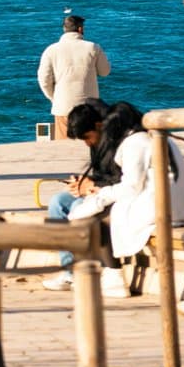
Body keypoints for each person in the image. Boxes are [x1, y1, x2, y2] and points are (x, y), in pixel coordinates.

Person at [67, 102, 184, 299]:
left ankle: (113, 276)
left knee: (97, 218)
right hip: (176, 202)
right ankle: (106, 274)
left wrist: (99, 197)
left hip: (162, 205)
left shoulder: (135, 143)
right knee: (100, 210)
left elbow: (131, 186)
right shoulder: (156, 137)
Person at [42, 99, 112, 291]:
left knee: (76, 208)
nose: (87, 143)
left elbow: (120, 180)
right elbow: (100, 175)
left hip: (112, 195)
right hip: (98, 191)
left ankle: (87, 270)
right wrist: (82, 183)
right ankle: (69, 271)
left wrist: (92, 185)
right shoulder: (96, 143)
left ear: (98, 126)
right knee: (57, 202)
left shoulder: (115, 143)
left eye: (87, 137)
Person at [38, 15, 111, 139]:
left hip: (63, 106)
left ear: (64, 29)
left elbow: (44, 80)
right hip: (89, 107)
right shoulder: (93, 47)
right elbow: (105, 72)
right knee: (89, 145)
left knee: (63, 146)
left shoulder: (51, 50)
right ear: (80, 29)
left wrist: (54, 98)